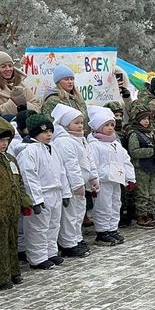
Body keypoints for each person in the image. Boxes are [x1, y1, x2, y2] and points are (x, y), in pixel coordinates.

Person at [17, 113, 71, 270]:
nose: (48, 134)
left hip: (56, 192)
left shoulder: (52, 148)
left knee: (53, 225)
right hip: (42, 194)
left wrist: (66, 193)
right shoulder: (28, 151)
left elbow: (62, 172)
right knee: (38, 228)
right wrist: (35, 200)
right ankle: (37, 257)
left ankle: (50, 252)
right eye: (44, 132)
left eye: (50, 131)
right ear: (34, 133)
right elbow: (28, 176)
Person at [51, 104, 98, 257]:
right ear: (65, 124)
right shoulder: (64, 141)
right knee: (70, 215)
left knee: (79, 213)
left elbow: (89, 160)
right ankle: (68, 243)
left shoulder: (80, 140)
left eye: (81, 123)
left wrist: (92, 177)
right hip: (71, 186)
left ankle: (76, 238)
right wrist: (77, 184)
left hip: (81, 186)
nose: (79, 126)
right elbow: (70, 166)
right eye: (76, 123)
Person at [88, 106, 135, 245]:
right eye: (106, 125)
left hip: (116, 180)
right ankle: (102, 232)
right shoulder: (95, 145)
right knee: (103, 206)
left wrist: (130, 177)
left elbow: (125, 160)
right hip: (103, 181)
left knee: (116, 204)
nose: (110, 128)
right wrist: (94, 180)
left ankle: (112, 228)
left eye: (112, 125)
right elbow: (92, 164)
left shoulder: (116, 144)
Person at [0, 117, 32, 289]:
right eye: (0, 140)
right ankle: (2, 277)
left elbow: (18, 182)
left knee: (12, 240)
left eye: (6, 140)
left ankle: (13, 272)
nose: (4, 144)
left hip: (11, 208)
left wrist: (24, 201)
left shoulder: (10, 159)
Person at [126, 104, 155, 228]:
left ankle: (150, 213)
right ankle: (142, 216)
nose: (146, 122)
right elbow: (134, 151)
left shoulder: (152, 133)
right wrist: (151, 151)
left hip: (152, 166)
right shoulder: (135, 134)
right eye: (143, 119)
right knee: (143, 193)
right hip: (141, 167)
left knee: (152, 193)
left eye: (148, 119)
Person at [0, 52, 40, 117]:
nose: (8, 69)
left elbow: (37, 107)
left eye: (10, 66)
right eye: (3, 67)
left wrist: (25, 104)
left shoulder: (21, 84)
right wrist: (13, 103)